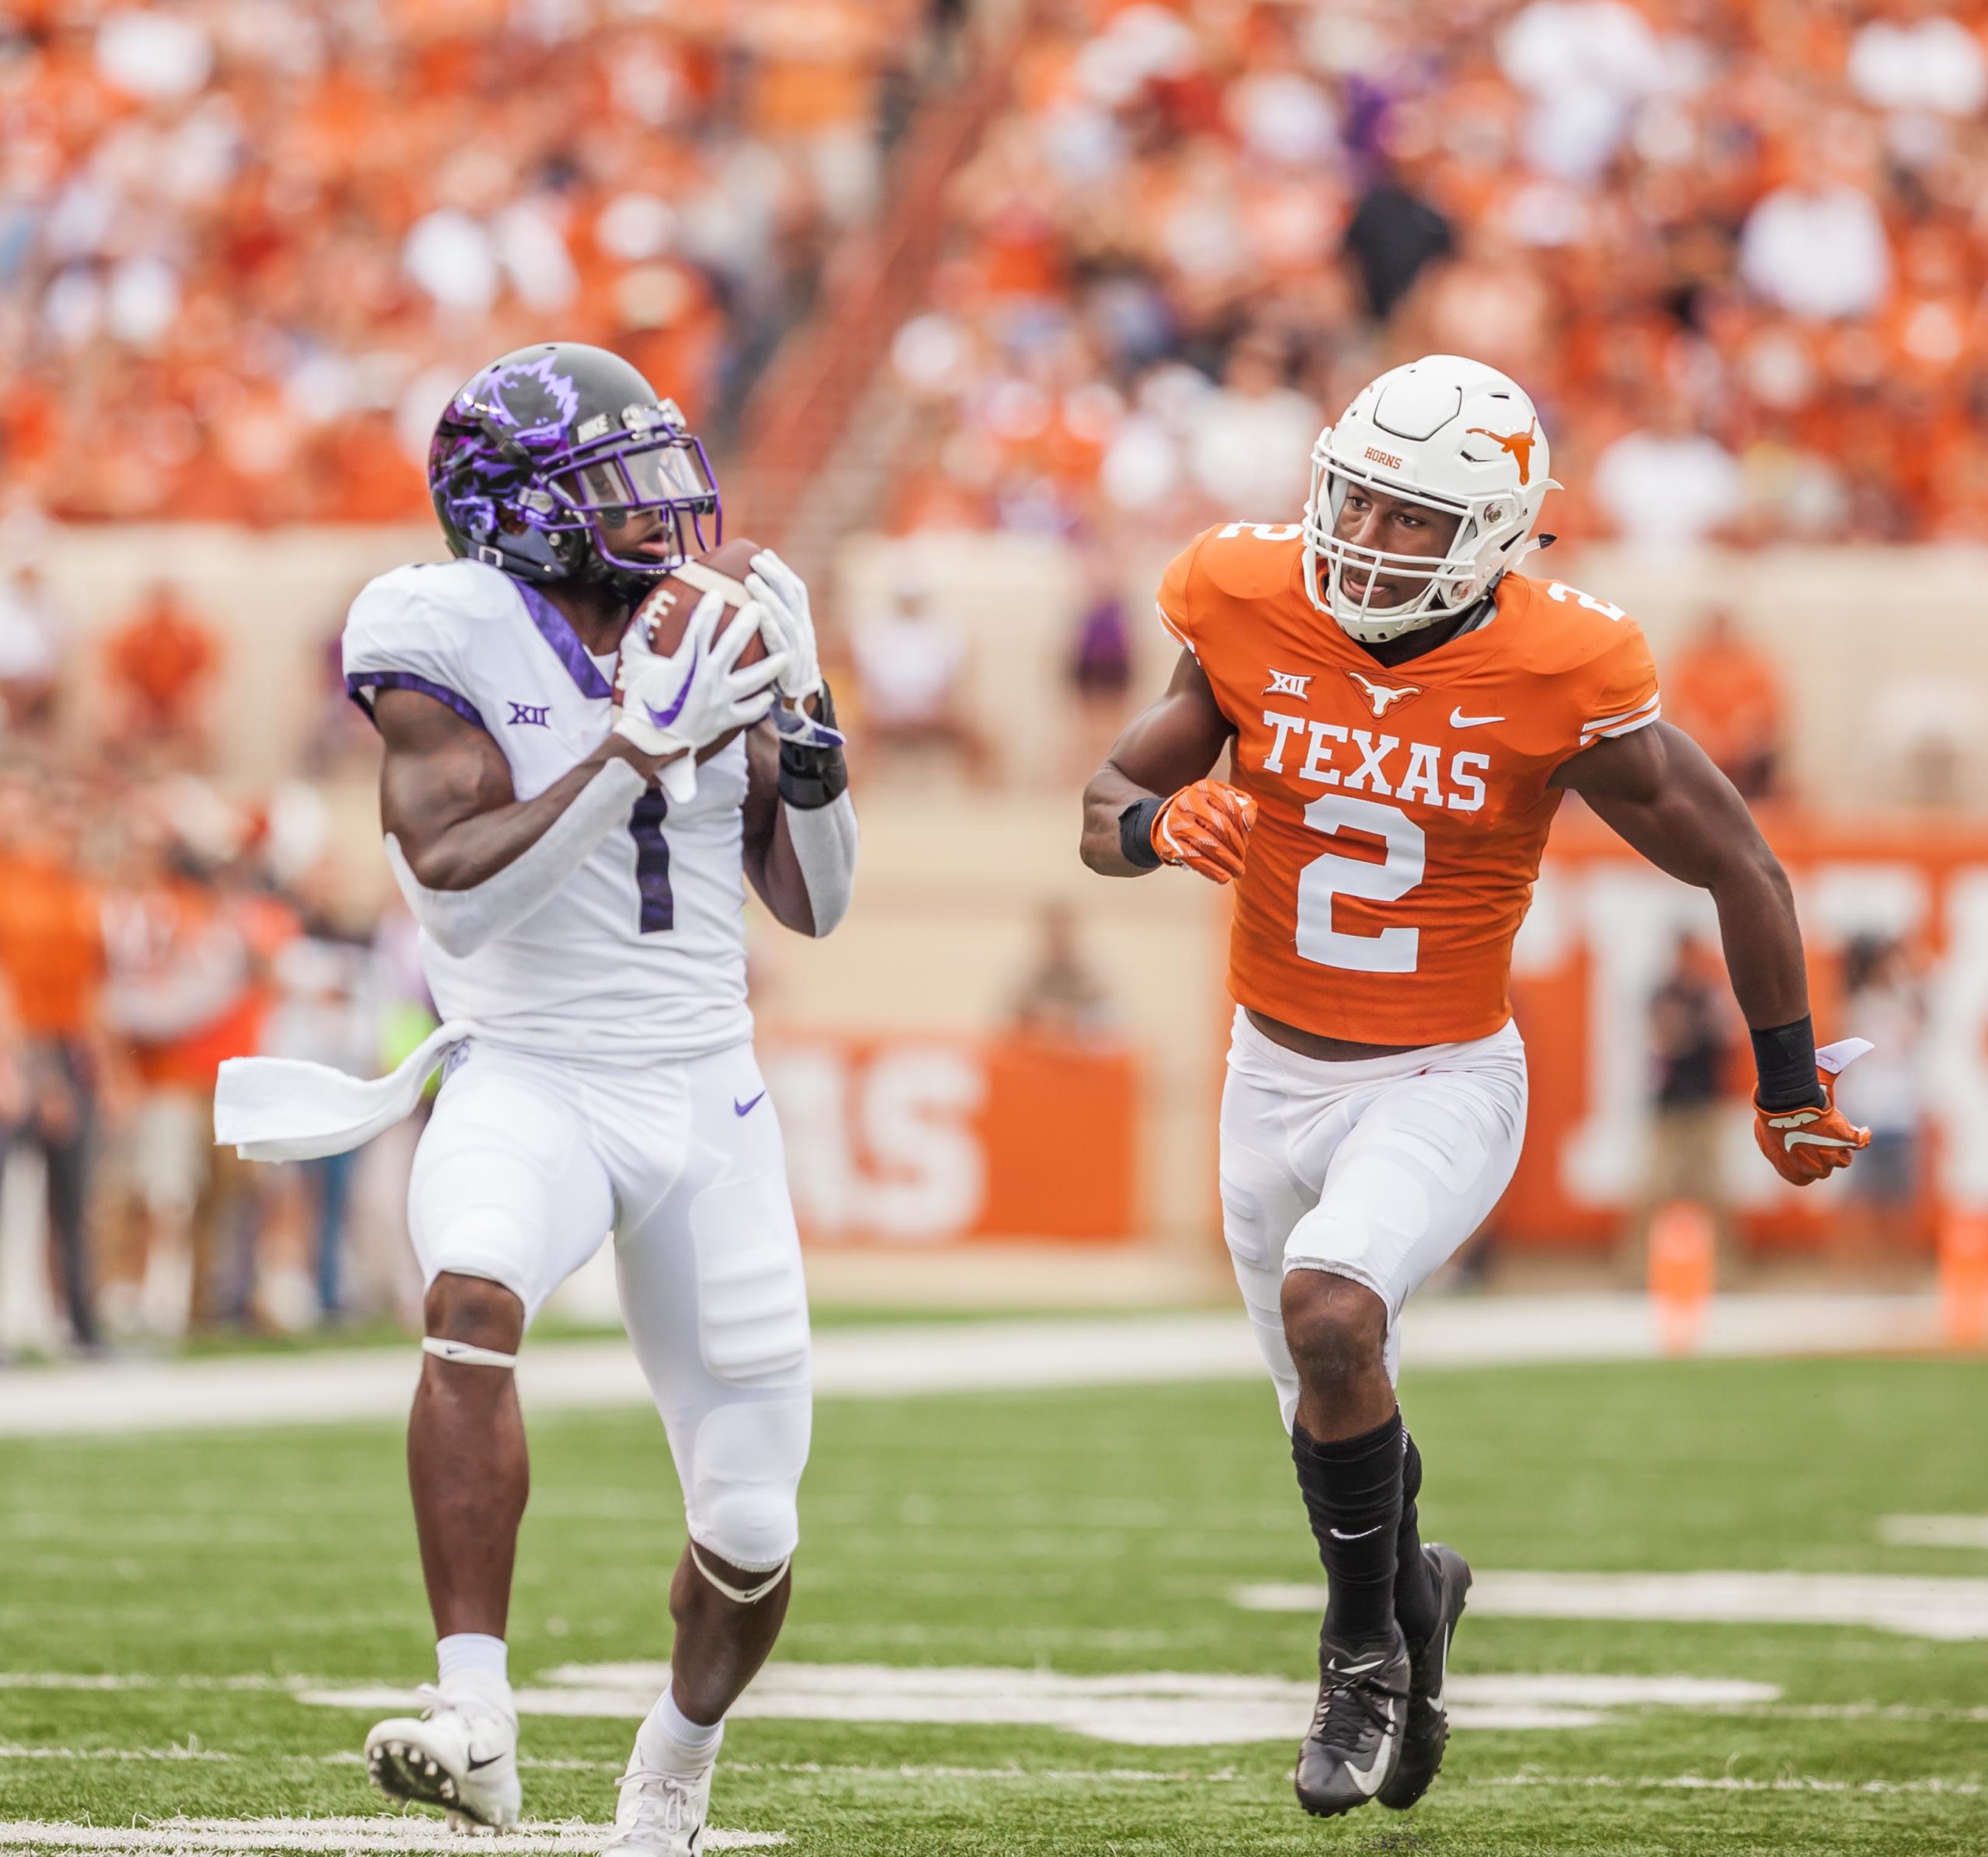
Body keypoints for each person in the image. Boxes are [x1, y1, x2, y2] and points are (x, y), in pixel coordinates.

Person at [1079, 353, 1870, 1824]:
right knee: (1324, 1400)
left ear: (1502, 533)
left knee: (1334, 1307)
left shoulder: (1562, 665)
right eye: (1359, 504)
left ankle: (1361, 1648)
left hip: (1442, 1074)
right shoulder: (1247, 595)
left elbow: (1739, 865)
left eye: (1414, 522)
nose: (1371, 543)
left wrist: (1784, 1079)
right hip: (1270, 1076)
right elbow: (1107, 801)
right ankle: (1414, 1599)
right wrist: (1154, 828)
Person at [210, 343, 857, 1855]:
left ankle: (674, 1765)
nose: (655, 515)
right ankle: (474, 1714)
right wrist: (637, 751)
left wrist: (807, 726)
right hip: (528, 1068)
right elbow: (459, 885)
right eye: (613, 488)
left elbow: (813, 903)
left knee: (752, 1525)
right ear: (513, 512)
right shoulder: (440, 629)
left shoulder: (716, 616)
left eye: (654, 478)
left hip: (704, 1094)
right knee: (472, 1289)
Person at [1636, 934, 1736, 1277]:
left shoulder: (1710, 993)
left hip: (1705, 1099)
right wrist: (1696, 1028)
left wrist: (1692, 1028)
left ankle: (1726, 1268)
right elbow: (1669, 1038)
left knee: (1714, 1189)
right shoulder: (1664, 993)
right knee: (1656, 1187)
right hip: (1670, 1103)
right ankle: (1638, 1268)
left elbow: (1725, 1037)